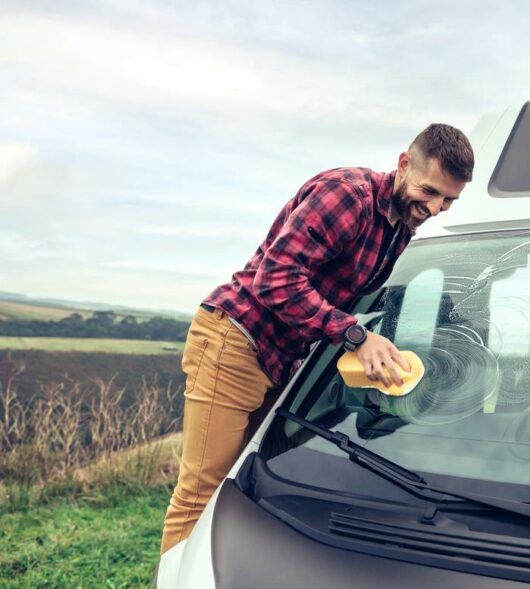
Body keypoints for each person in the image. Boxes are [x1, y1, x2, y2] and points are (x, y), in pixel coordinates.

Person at [160, 124, 474, 553]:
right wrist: (355, 336)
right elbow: (276, 279)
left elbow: (353, 294)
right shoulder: (346, 195)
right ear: (403, 165)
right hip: (235, 341)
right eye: (430, 191)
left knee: (250, 479)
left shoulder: (401, 226)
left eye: (449, 200)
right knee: (201, 491)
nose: (437, 207)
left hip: (282, 360)